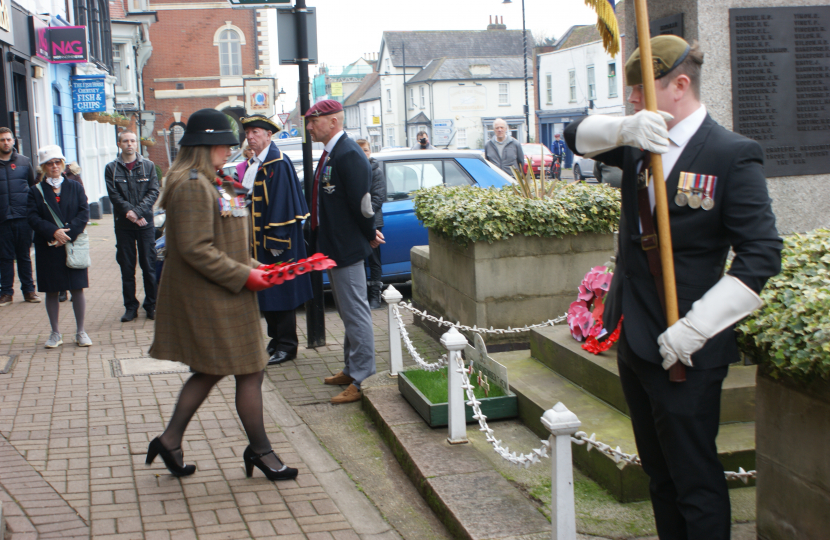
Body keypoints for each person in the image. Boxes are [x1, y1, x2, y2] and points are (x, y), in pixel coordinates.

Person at [564, 35, 782, 540]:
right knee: (658, 476)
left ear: (680, 85)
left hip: (685, 348)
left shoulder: (732, 154)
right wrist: (625, 126)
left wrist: (697, 328)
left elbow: (761, 254)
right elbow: (576, 136)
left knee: (694, 481)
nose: (634, 99)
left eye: (642, 90)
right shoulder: (642, 138)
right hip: (636, 340)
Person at [147, 108, 297, 481]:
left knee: (217, 370)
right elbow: (196, 249)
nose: (231, 150)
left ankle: (170, 440)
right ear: (207, 145)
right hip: (212, 297)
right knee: (249, 370)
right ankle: (260, 450)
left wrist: (252, 264)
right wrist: (245, 275)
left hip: (227, 291)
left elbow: (225, 238)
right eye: (225, 145)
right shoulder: (191, 185)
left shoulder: (214, 181)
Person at [305, 100, 384, 404]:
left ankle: (363, 377)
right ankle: (352, 368)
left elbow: (361, 204)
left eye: (315, 121)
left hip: (347, 247)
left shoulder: (348, 153)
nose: (310, 127)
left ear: (333, 122)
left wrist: (369, 235)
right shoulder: (333, 153)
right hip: (335, 247)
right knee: (348, 312)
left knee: (356, 313)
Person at [241, 114, 312, 365]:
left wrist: (276, 241)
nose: (250, 137)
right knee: (268, 292)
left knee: (281, 293)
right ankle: (276, 340)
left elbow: (282, 204)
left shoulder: (277, 163)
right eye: (248, 132)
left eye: (256, 132)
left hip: (276, 241)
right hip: (260, 241)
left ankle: (288, 345)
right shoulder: (256, 163)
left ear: (269, 135)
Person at [27, 145, 91, 348]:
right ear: (44, 167)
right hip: (48, 246)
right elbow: (32, 216)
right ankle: (55, 333)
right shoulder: (35, 191)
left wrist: (68, 233)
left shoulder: (75, 187)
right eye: (49, 163)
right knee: (52, 290)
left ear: (63, 164)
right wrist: (53, 231)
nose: (54, 166)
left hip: (72, 245)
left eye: (57, 162)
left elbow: (84, 212)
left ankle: (81, 332)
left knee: (77, 288)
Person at [104, 131, 160, 322]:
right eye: (126, 141)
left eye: (133, 141)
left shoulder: (149, 166)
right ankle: (130, 307)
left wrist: (137, 213)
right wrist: (130, 213)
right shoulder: (111, 168)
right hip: (123, 225)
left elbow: (154, 191)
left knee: (149, 266)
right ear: (119, 144)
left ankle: (151, 305)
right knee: (127, 268)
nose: (130, 144)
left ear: (137, 144)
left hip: (145, 224)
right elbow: (114, 195)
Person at [0, 127, 39, 306]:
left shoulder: (24, 162)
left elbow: (33, 188)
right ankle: (6, 293)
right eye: (2, 140)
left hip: (23, 217)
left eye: (8, 139)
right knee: (5, 257)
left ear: (13, 141)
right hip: (2, 219)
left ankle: (29, 291)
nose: (6, 142)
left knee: (24, 255)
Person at [357, 139, 386, 309]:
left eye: (366, 150)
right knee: (359, 260)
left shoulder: (376, 172)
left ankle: (375, 296)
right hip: (357, 223)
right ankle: (362, 295)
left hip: (373, 221)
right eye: (360, 151)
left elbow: (377, 199)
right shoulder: (353, 170)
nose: (364, 154)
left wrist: (364, 218)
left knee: (374, 260)